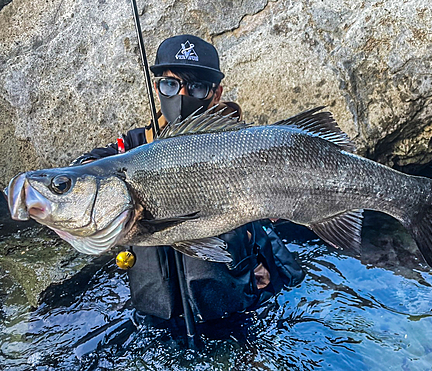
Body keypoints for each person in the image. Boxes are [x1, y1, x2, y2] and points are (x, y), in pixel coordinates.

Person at [72, 35, 304, 329]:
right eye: (170, 84)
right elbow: (85, 170)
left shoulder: (241, 144)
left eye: (196, 86)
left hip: (236, 305)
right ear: (158, 87)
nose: (181, 94)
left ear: (216, 93)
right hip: (157, 314)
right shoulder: (129, 149)